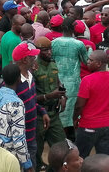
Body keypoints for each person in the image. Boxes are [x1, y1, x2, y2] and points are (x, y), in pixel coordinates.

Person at [73, 49, 109, 158]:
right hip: (106, 125)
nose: (87, 62)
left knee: (80, 157)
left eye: (90, 60)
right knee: (103, 158)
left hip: (88, 125)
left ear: (99, 63)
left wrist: (75, 118)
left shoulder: (87, 80)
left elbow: (79, 105)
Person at [34, 36, 67, 170]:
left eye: (50, 49)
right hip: (38, 115)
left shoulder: (53, 63)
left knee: (62, 146)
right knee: (36, 149)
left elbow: (58, 83)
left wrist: (63, 97)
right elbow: (30, 98)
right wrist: (48, 96)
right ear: (38, 51)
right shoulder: (33, 68)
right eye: (45, 50)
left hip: (54, 114)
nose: (49, 52)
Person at [53, 17, 89, 137]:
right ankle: (69, 137)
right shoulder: (79, 44)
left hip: (57, 80)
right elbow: (86, 61)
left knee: (59, 108)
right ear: (74, 28)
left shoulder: (54, 42)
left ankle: (58, 136)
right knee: (71, 110)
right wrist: (89, 51)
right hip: (73, 82)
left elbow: (51, 60)